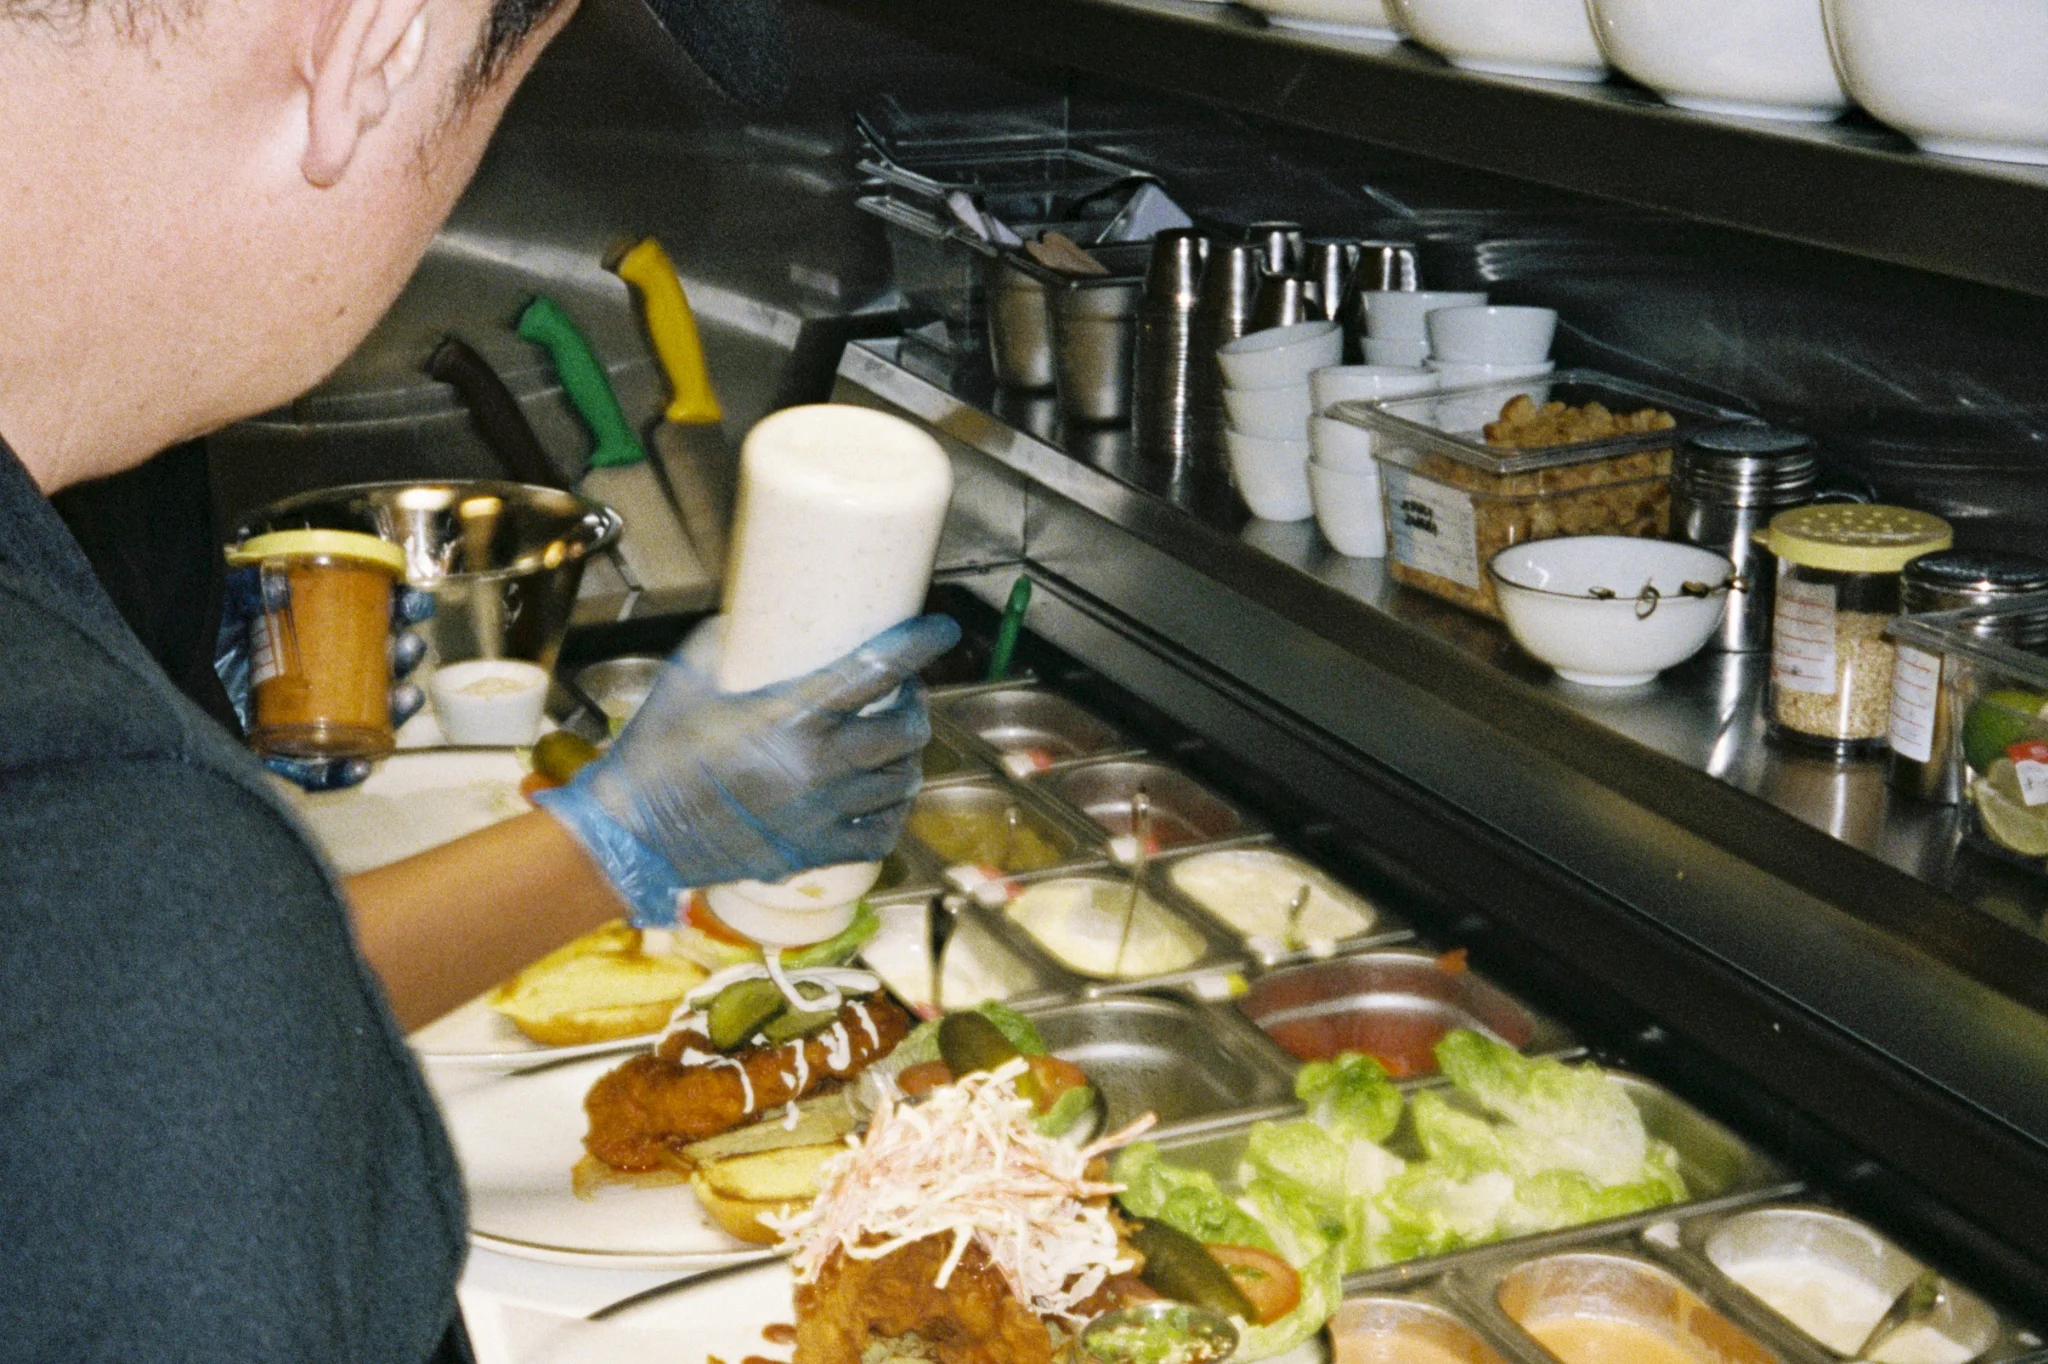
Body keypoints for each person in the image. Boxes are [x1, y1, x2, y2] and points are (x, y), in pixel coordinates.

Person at [0, 0, 955, 1357]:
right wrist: (627, 834)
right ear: (369, 45)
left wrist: (618, 834)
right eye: (509, 81)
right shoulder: (119, 854)